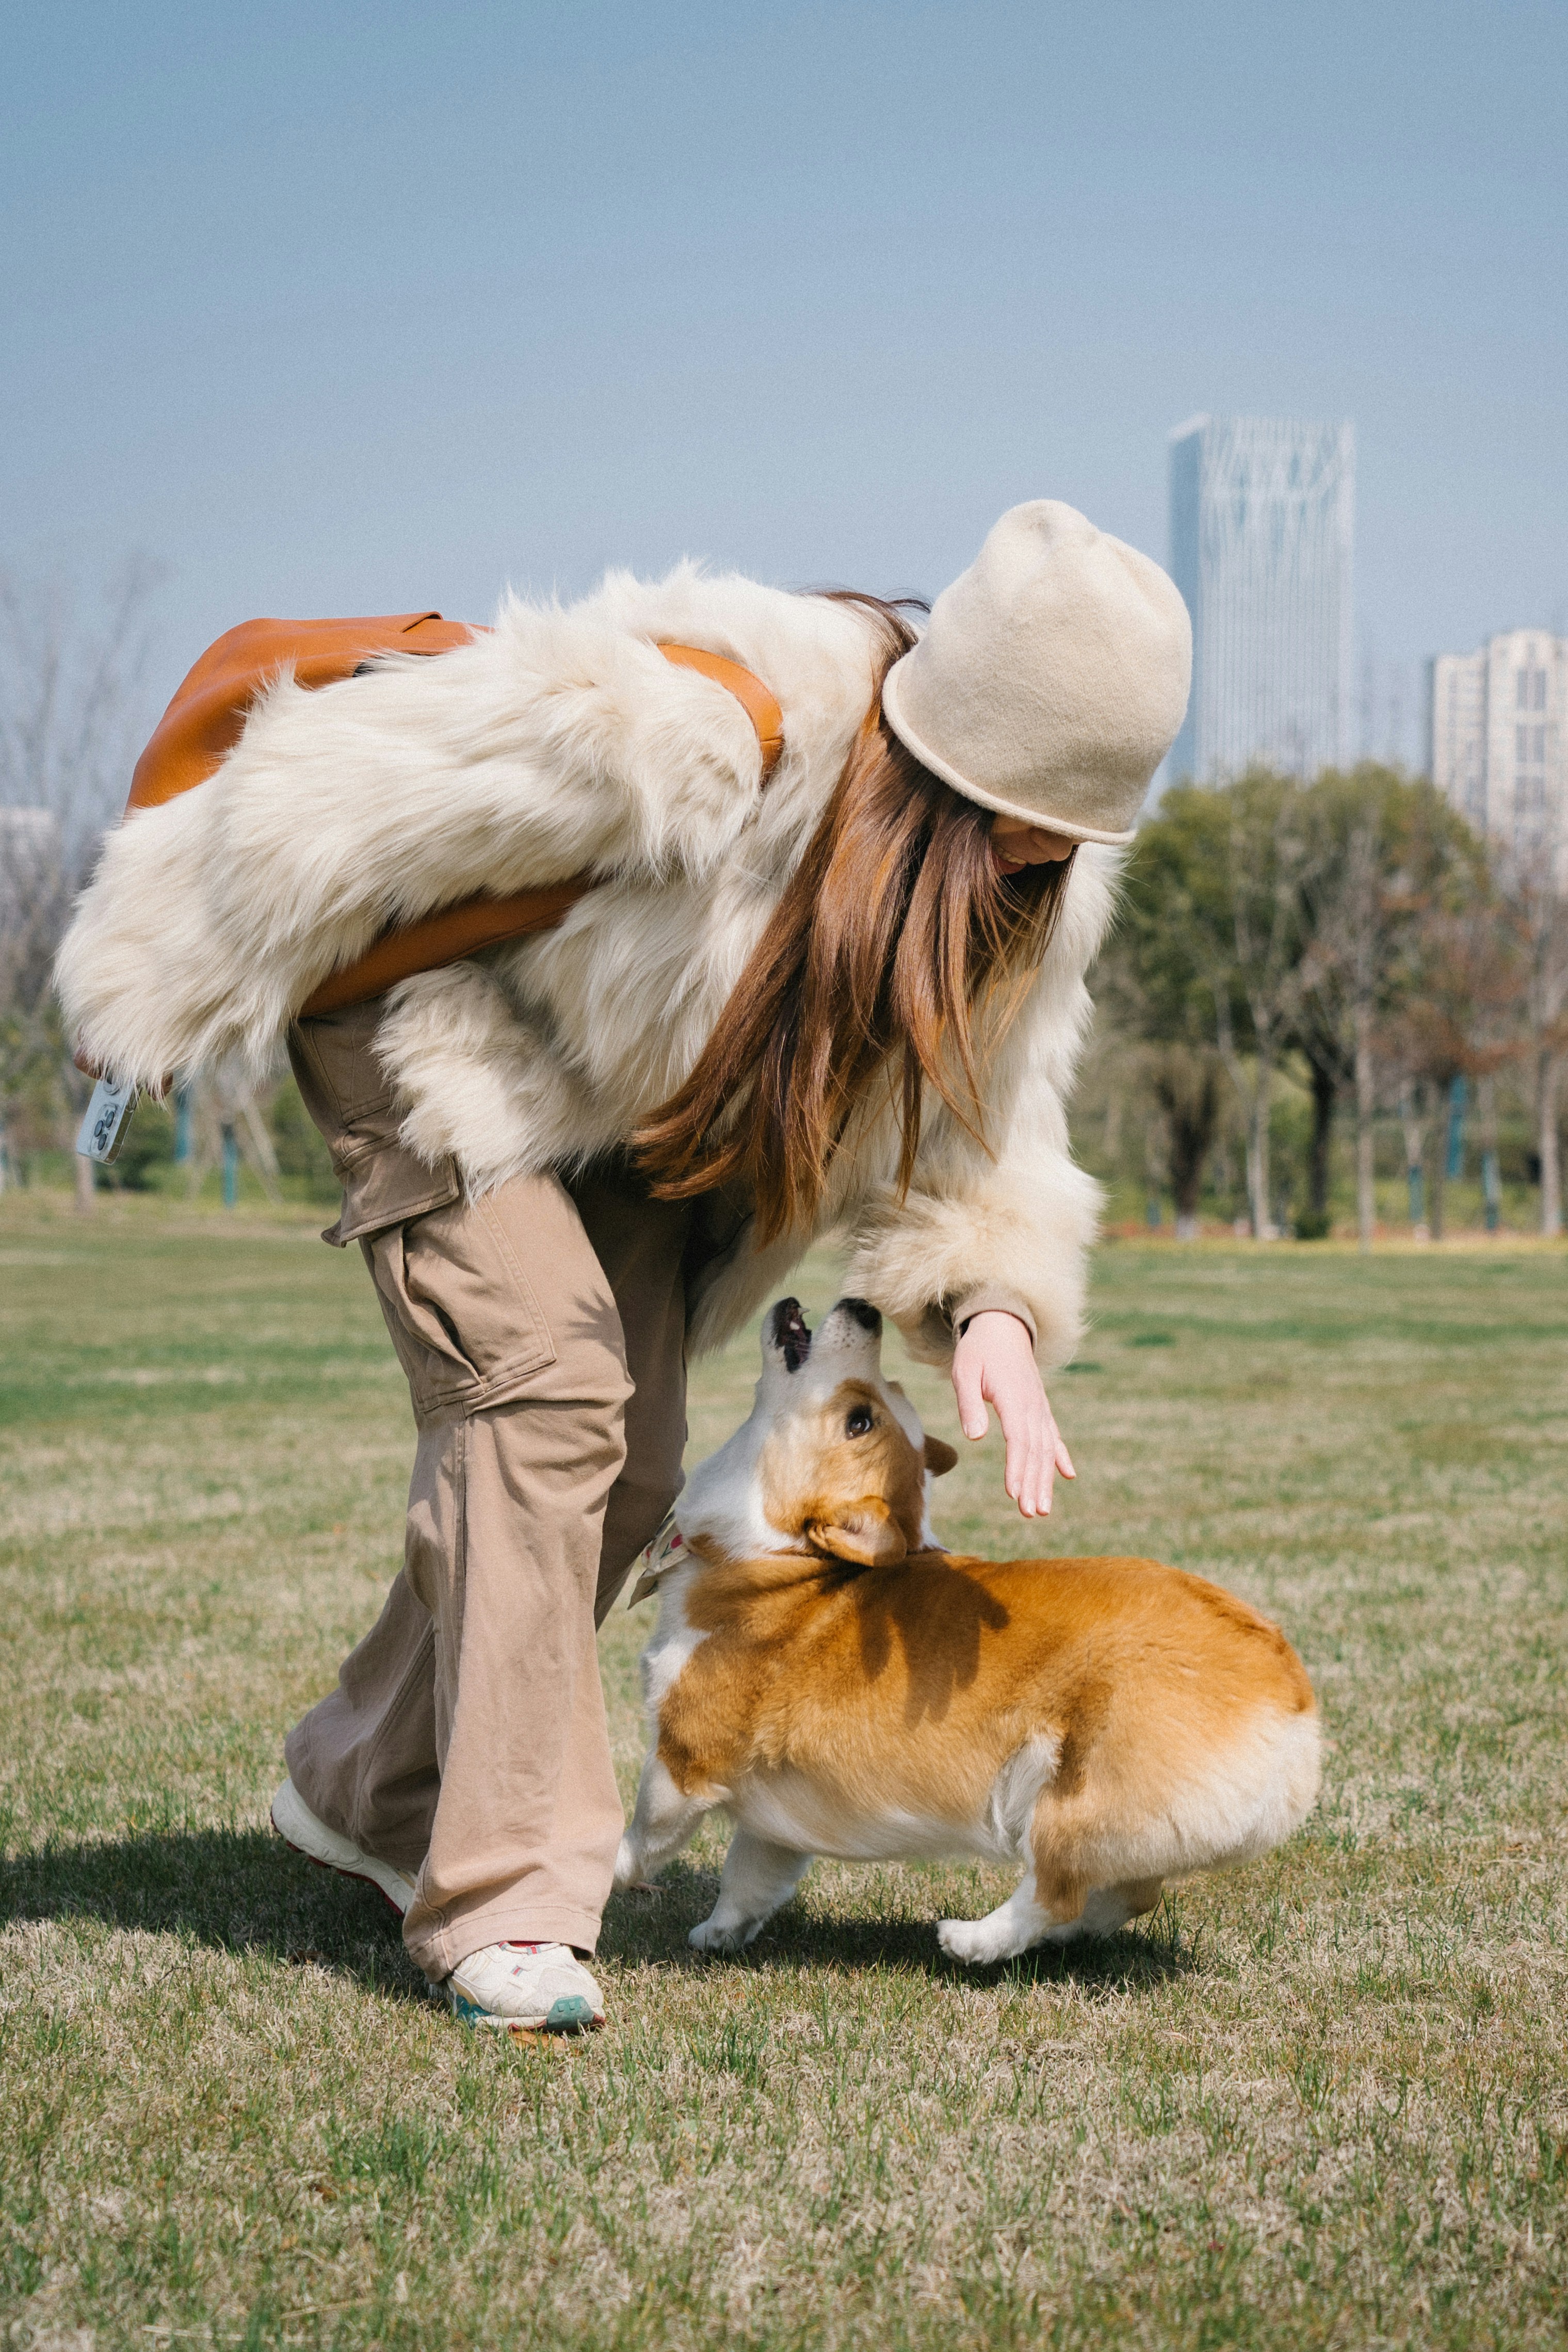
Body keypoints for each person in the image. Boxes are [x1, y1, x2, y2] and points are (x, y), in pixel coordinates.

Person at [58, 500, 1190, 2032]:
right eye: (1013, 819)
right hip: (445, 1031)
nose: (1037, 858)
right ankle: (509, 1896)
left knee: (636, 1469)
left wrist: (992, 1302)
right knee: (546, 1399)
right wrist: (144, 978)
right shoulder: (711, 728)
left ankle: (364, 1790)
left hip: (637, 1115)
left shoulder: (1029, 894)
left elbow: (994, 1114)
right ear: (937, 759)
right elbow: (347, 792)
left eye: (1069, 835)